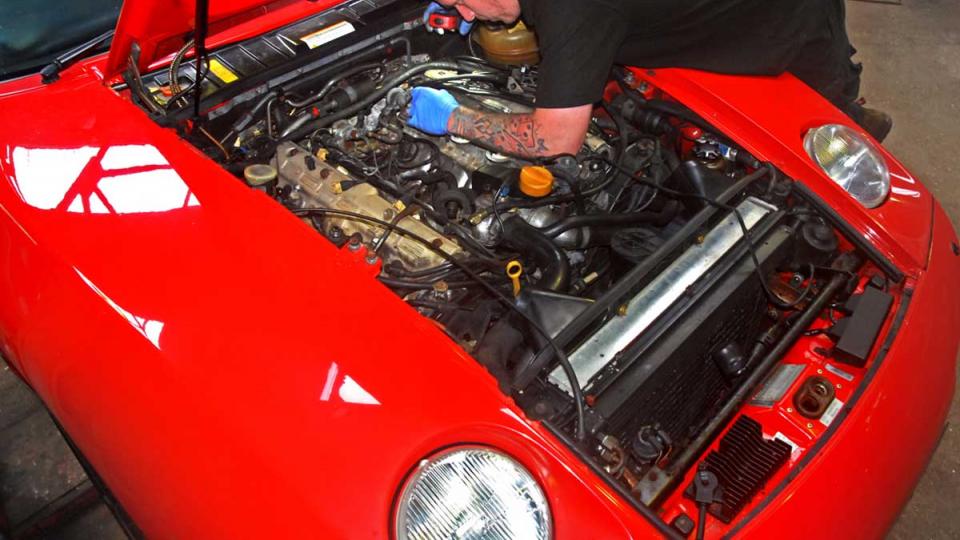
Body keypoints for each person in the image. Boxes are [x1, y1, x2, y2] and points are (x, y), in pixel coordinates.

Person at [406, 0, 893, 158]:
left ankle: (854, 119)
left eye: (465, 1)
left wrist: (452, 117)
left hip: (783, 17)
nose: (464, 12)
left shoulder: (571, 10)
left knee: (815, 133)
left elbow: (554, 139)